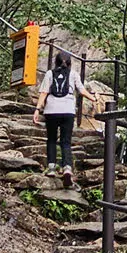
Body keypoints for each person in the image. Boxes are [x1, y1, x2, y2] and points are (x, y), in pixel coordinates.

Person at [33, 53, 85, 186]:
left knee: (51, 139)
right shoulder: (73, 74)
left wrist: (37, 109)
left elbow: (44, 92)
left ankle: (51, 168)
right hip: (68, 111)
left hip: (51, 111)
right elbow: (82, 90)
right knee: (65, 141)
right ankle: (67, 168)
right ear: (69, 63)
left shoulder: (50, 74)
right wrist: (95, 99)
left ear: (55, 62)